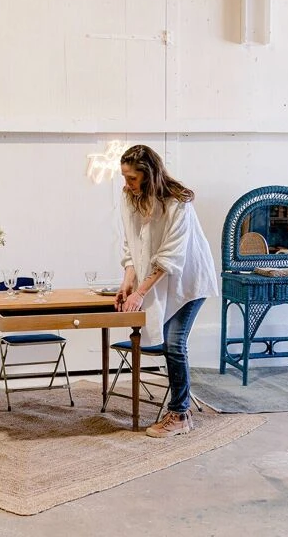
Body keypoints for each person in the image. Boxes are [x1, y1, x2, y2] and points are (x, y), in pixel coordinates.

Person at [115, 144, 219, 438]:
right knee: (167, 341)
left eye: (132, 178)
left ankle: (180, 414)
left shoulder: (178, 203)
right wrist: (128, 281)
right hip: (160, 278)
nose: (127, 184)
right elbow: (132, 245)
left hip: (189, 281)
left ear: (148, 176)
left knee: (174, 342)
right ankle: (179, 407)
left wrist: (140, 293)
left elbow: (170, 257)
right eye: (124, 177)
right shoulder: (130, 199)